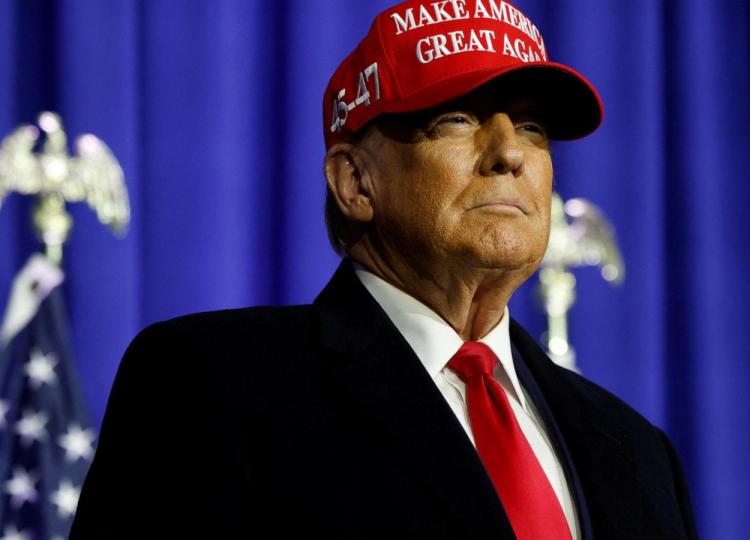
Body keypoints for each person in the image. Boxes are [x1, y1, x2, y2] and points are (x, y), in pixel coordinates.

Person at [71, 1, 698, 538]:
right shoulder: (213, 384)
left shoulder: (637, 453)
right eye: (457, 118)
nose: (510, 152)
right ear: (355, 182)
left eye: (531, 127)